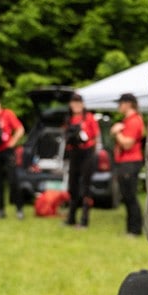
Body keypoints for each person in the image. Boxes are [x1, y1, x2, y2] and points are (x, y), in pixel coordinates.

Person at [63, 93, 100, 228]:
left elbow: (95, 136)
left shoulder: (89, 118)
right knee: (72, 185)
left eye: (79, 103)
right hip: (74, 153)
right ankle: (71, 217)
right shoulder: (69, 119)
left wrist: (89, 146)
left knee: (86, 186)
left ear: (83, 104)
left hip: (87, 152)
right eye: (74, 103)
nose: (76, 106)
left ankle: (84, 219)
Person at [111, 92, 145, 236]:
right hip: (126, 162)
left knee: (130, 196)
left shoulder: (133, 121)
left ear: (128, 104)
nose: (119, 106)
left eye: (120, 103)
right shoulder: (129, 120)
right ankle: (131, 229)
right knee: (127, 196)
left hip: (130, 162)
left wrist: (116, 132)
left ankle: (135, 229)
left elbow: (127, 144)